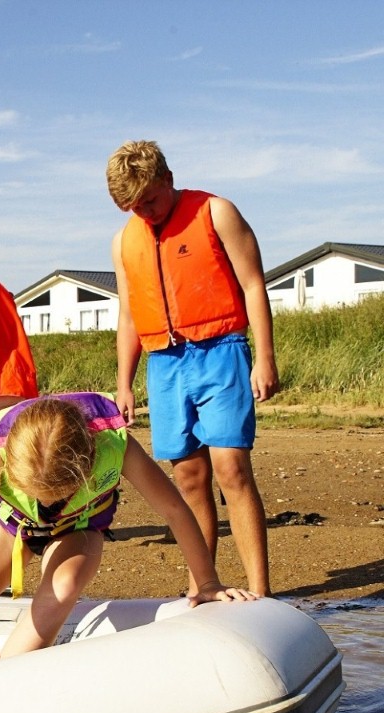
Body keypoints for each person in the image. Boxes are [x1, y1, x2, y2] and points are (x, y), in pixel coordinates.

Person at [0, 393, 257, 674]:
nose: (47, 502)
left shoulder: (114, 444)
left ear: (87, 463)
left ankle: (10, 671)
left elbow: (174, 509)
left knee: (63, 585)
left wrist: (209, 583)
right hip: (17, 527)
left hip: (79, 527)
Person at [107, 140, 278, 597]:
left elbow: (253, 284)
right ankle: (203, 587)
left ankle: (261, 593)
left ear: (167, 178)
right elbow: (128, 315)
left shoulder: (217, 212)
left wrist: (264, 357)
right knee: (188, 476)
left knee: (231, 468)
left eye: (150, 201)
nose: (145, 213)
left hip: (221, 351)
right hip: (164, 364)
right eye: (133, 207)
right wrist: (124, 384)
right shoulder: (125, 240)